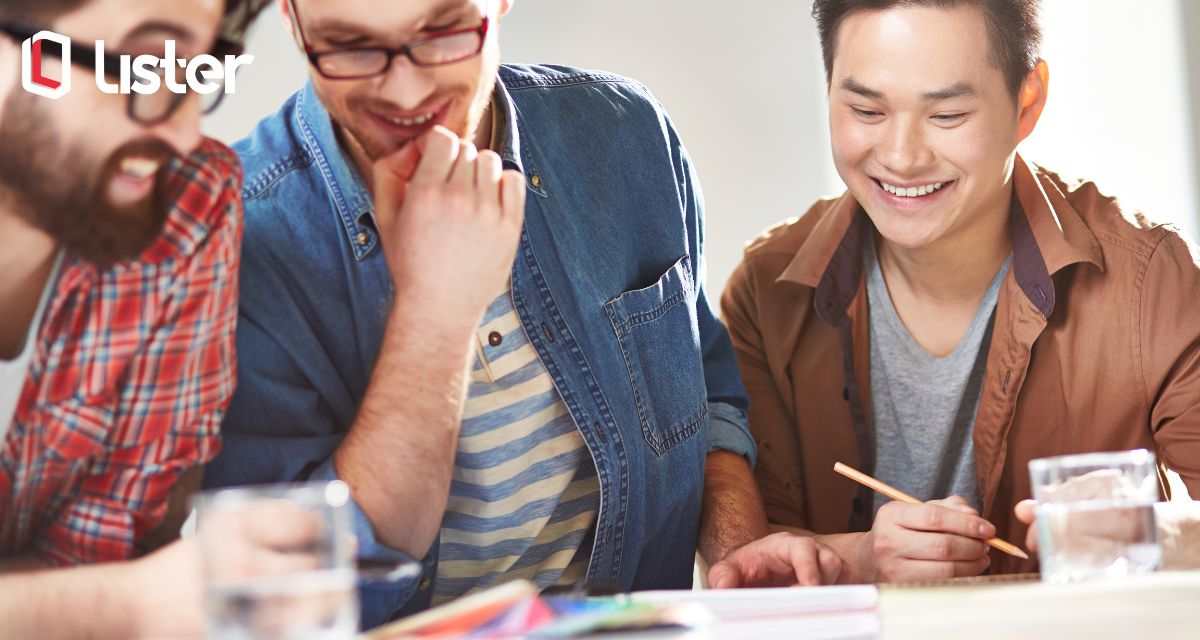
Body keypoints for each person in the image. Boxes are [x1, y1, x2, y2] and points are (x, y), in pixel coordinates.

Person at [203, 0, 838, 628]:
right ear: (291, 21)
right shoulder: (235, 244)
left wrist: (737, 553)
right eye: (351, 45)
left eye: (443, 30)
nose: (405, 88)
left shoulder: (627, 134)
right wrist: (435, 311)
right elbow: (290, 599)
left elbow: (707, 394)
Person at [720, 0, 1200, 584]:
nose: (901, 157)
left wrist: (1147, 530)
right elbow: (750, 556)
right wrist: (863, 555)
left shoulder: (1150, 283)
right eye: (866, 109)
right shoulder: (766, 293)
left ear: (1028, 99)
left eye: (946, 115)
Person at [0, 0, 268, 635]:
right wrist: (120, 603)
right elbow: (123, 591)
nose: (181, 130)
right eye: (145, 66)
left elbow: (108, 543)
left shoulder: (185, 201)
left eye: (199, 71)